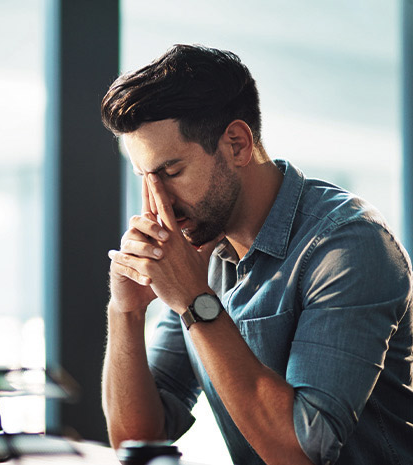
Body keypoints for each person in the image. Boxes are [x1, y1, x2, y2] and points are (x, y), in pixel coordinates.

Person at [100, 44, 413, 465]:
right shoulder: (204, 253)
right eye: (145, 178)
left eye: (171, 172)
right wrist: (126, 310)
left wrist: (195, 302)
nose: (159, 203)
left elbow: (302, 451)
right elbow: (138, 440)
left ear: (236, 144)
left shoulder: (349, 246)